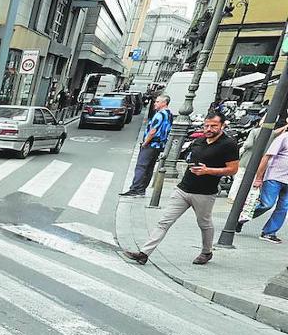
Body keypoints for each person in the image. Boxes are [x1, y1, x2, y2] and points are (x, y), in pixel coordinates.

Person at [124, 111, 240, 266]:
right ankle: (144, 254)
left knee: (204, 224)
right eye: (206, 125)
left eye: (214, 126)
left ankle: (206, 252)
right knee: (164, 222)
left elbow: (233, 169)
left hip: (204, 193)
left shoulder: (229, 144)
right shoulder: (199, 141)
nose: (209, 129)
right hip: (183, 189)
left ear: (222, 125)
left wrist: (209, 171)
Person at [120, 94, 174, 197]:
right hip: (159, 145)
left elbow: (153, 131)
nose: (155, 103)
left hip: (151, 144)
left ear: (164, 103)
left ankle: (135, 189)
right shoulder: (169, 114)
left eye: (157, 102)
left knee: (141, 166)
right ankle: (141, 190)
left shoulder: (160, 114)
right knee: (149, 167)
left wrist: (145, 142)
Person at [250, 124, 288, 243]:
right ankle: (240, 218)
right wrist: (258, 178)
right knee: (266, 204)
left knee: (283, 207)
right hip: (275, 176)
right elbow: (266, 157)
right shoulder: (284, 138)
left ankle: (269, 232)